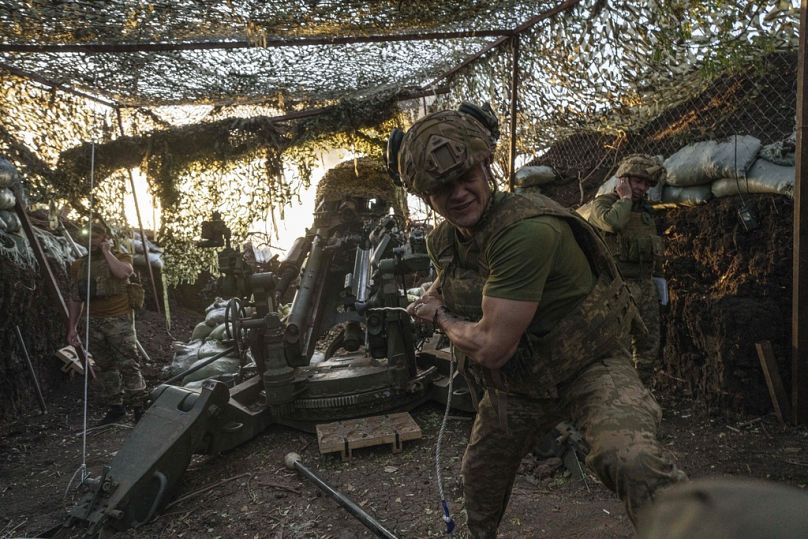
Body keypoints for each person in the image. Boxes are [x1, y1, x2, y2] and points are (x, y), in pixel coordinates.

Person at [388, 105, 685, 538]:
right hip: (524, 382)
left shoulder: (527, 230)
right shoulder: (446, 241)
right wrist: (440, 291)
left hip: (590, 368)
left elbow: (491, 346)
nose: (457, 194)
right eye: (440, 187)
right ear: (426, 196)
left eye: (465, 177)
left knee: (631, 459)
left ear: (486, 165)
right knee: (481, 474)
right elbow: (470, 277)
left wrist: (439, 316)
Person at [587, 155, 665, 382]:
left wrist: (659, 281)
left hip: (645, 285)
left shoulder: (647, 212)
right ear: (623, 180)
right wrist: (626, 198)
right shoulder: (602, 204)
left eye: (646, 183)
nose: (641, 187)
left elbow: (653, 248)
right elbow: (614, 223)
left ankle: (643, 392)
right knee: (617, 345)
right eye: (636, 181)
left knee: (649, 343)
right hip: (617, 287)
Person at [67, 222, 147, 425]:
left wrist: (107, 252)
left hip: (119, 319)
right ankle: (116, 407)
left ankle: (139, 407)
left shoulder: (120, 257)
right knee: (105, 366)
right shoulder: (79, 265)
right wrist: (72, 327)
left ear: (105, 238)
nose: (92, 241)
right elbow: (76, 298)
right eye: (89, 237)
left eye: (97, 237)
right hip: (93, 322)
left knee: (129, 363)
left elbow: (123, 273)